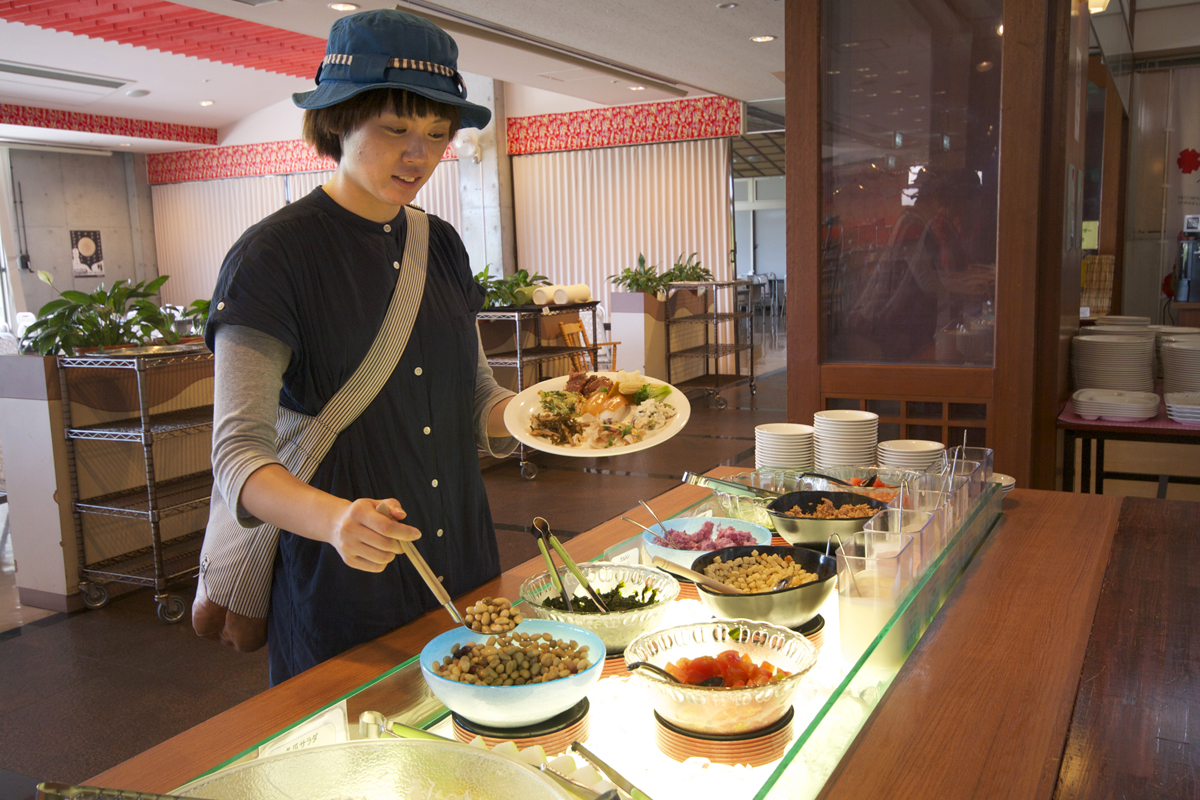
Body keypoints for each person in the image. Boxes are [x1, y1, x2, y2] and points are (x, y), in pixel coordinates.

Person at [200, 8, 516, 685]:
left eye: (437, 133)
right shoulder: (272, 257)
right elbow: (238, 457)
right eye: (396, 129)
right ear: (339, 120)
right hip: (343, 584)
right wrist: (336, 520)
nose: (419, 155)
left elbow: (477, 396)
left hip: (463, 561)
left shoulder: (442, 245)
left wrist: (555, 416)